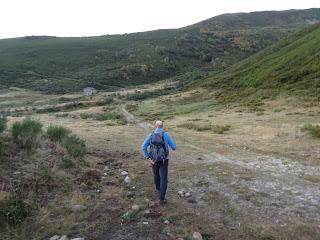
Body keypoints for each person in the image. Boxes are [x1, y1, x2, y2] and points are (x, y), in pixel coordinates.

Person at [141, 120, 176, 204]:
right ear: (162, 126)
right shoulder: (166, 134)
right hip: (164, 160)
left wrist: (148, 158)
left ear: (155, 126)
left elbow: (143, 147)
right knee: (164, 178)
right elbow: (174, 147)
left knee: (156, 174)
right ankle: (162, 199)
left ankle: (158, 189)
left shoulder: (151, 135)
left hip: (153, 159)